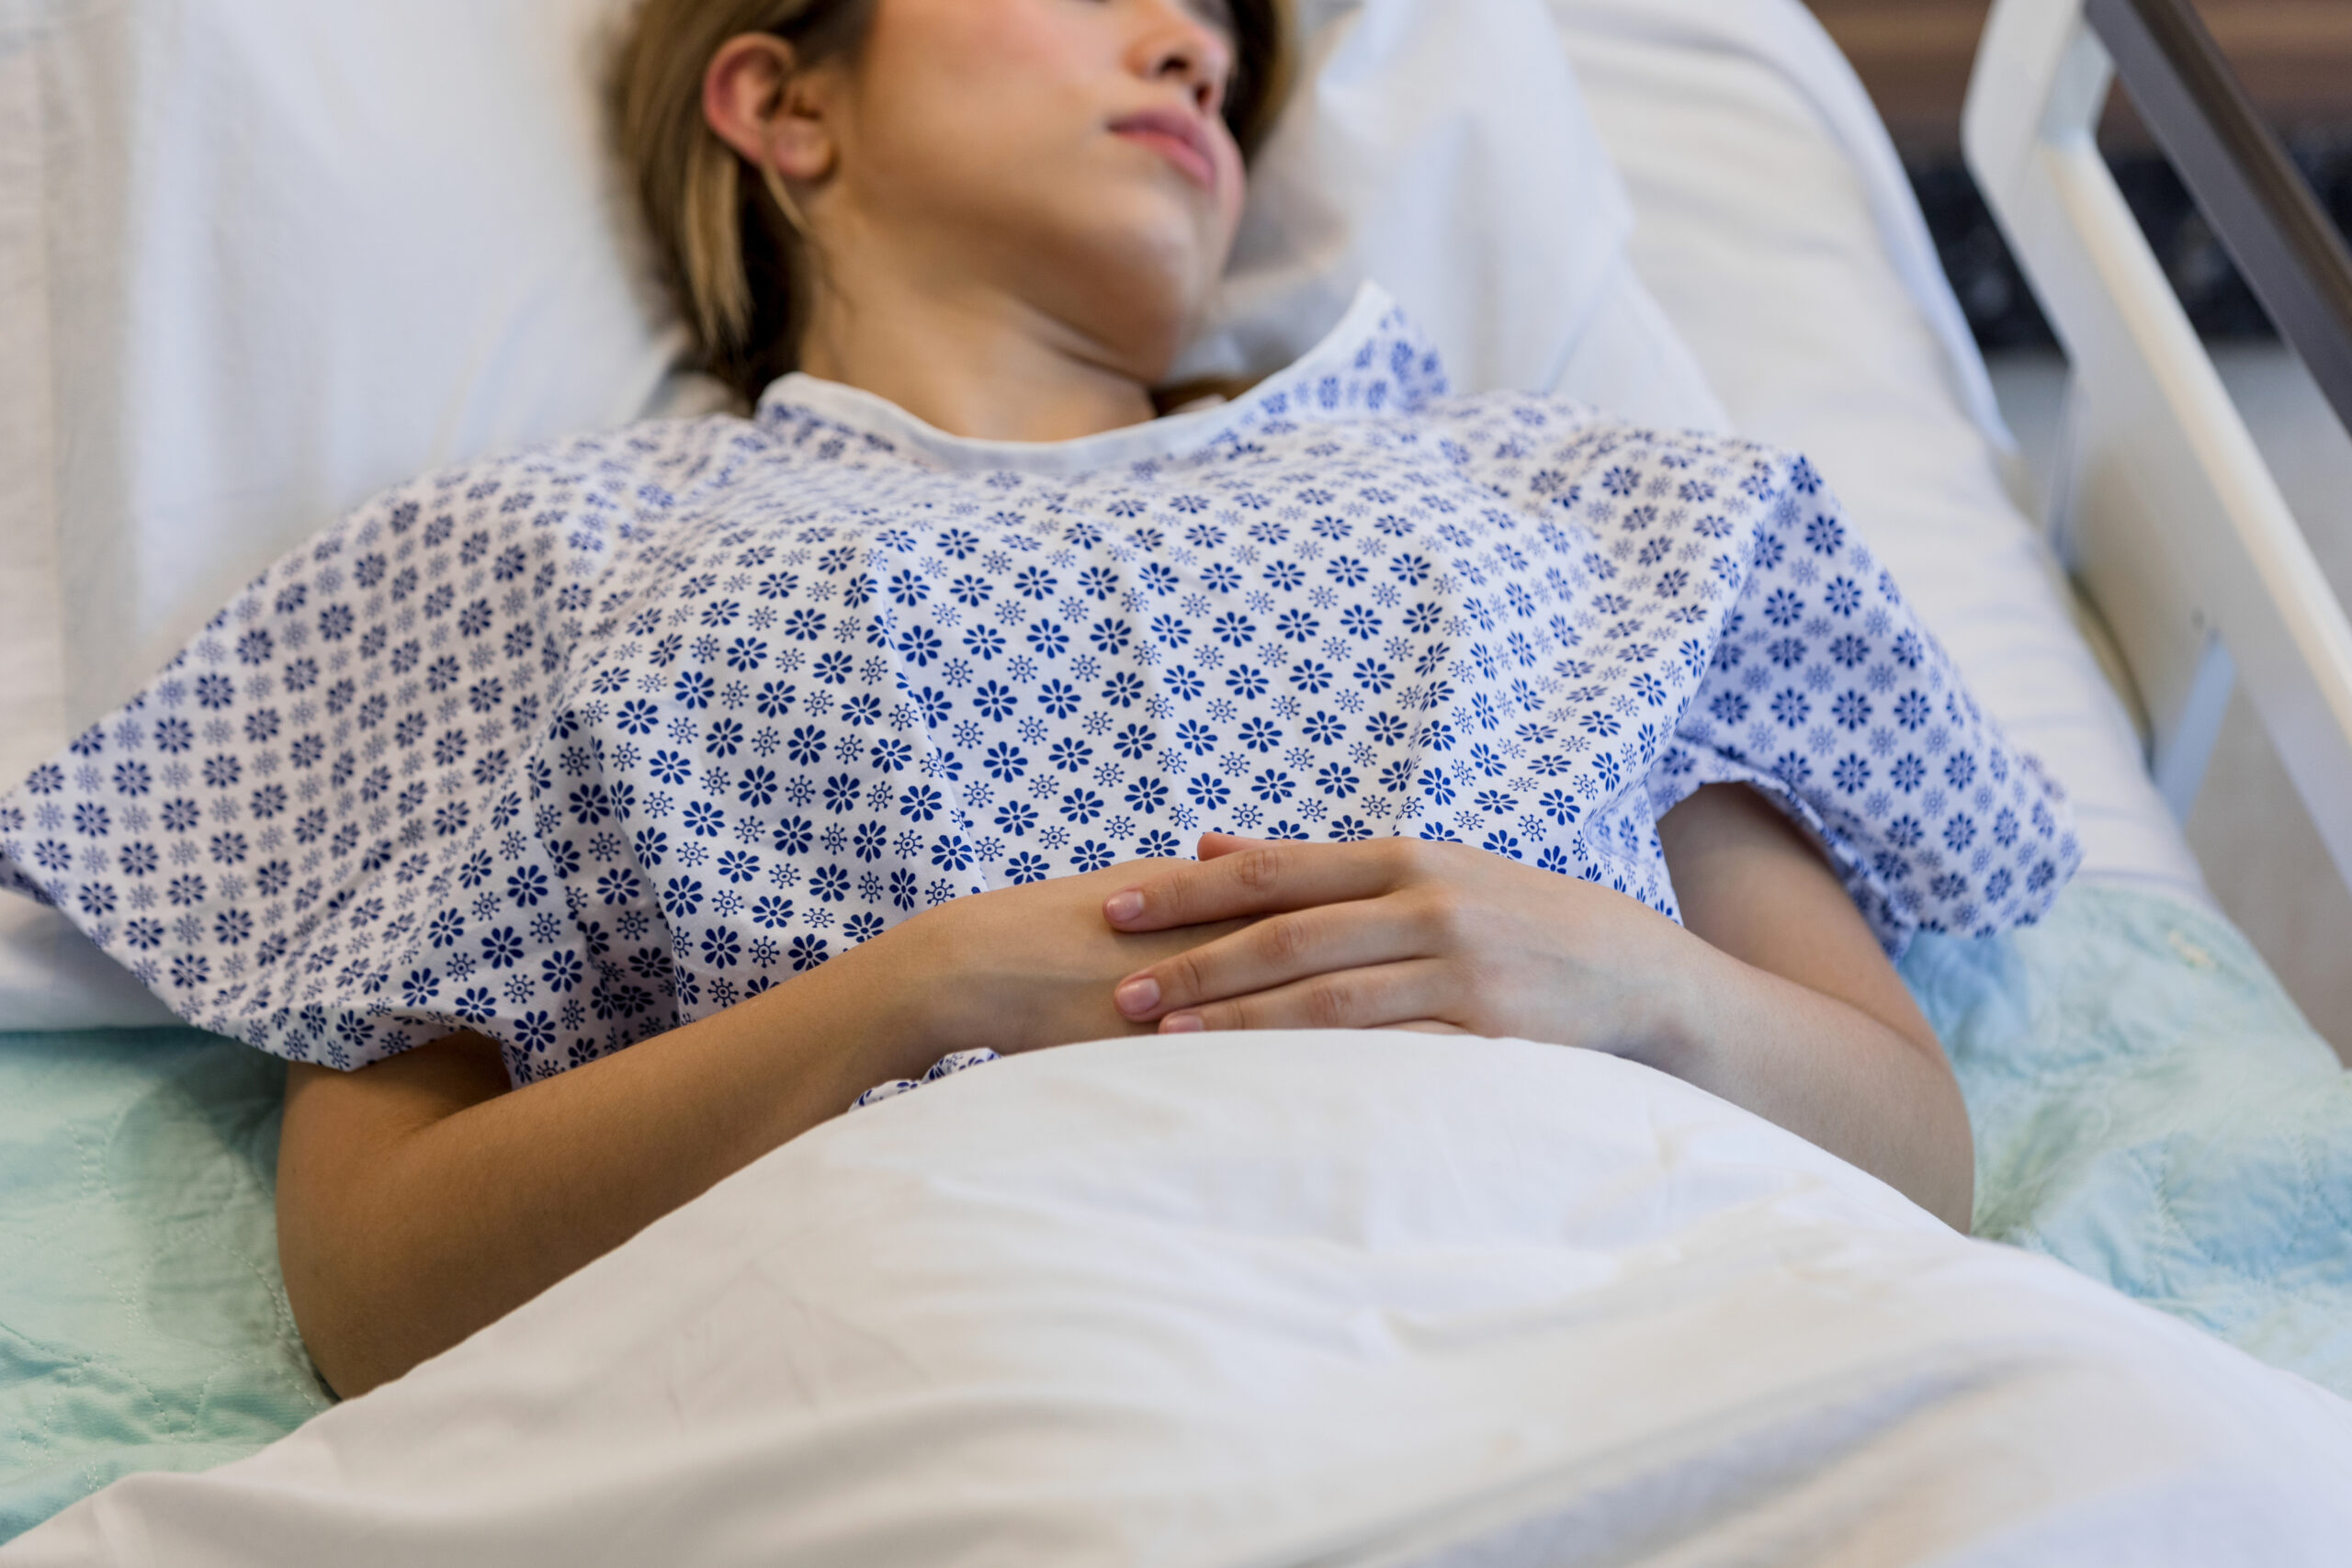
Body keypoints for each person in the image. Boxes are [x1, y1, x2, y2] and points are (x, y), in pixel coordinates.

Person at [0, 0, 2076, 1401]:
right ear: (779, 102)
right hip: (925, 1391)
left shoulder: (1566, 491)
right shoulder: (520, 564)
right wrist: (917, 993)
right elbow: (380, 1288)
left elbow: (1915, 1155)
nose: (1192, 38)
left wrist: (1626, 976)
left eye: (1223, 34)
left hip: (1613, 1350)